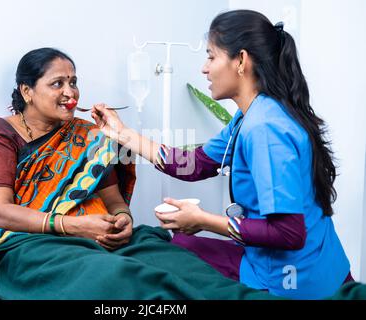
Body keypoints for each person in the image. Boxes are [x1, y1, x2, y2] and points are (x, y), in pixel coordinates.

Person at [0, 47, 278, 300]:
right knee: (118, 278)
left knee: (180, 266)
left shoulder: (89, 136)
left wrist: (123, 220)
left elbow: (114, 201)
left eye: (74, 82)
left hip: (99, 237)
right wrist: (72, 226)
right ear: (27, 91)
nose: (71, 92)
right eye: (57, 84)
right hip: (28, 244)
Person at [91, 10, 353, 299]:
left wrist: (203, 220)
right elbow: (195, 164)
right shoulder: (252, 114)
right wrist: (122, 133)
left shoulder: (266, 129)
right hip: (290, 261)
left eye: (211, 56)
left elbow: (289, 233)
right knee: (177, 248)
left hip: (296, 279)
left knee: (159, 260)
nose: (204, 68)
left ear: (240, 60)